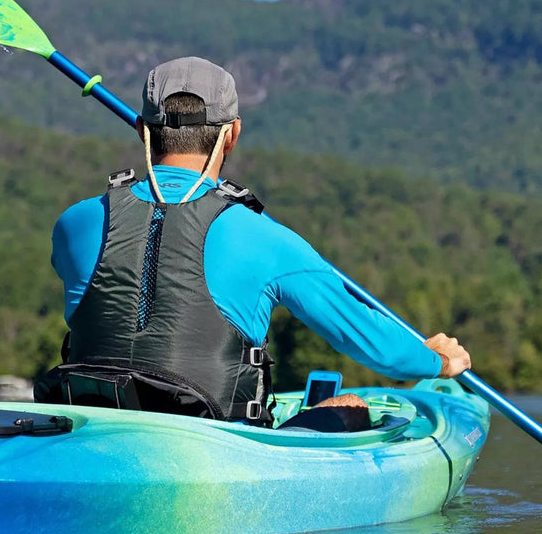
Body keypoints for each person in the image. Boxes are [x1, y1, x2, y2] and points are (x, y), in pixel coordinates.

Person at [35, 56, 470, 431]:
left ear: (142, 131)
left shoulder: (74, 223)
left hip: (91, 431)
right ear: (232, 134)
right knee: (353, 407)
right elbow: (381, 350)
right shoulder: (268, 239)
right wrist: (437, 362)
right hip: (217, 445)